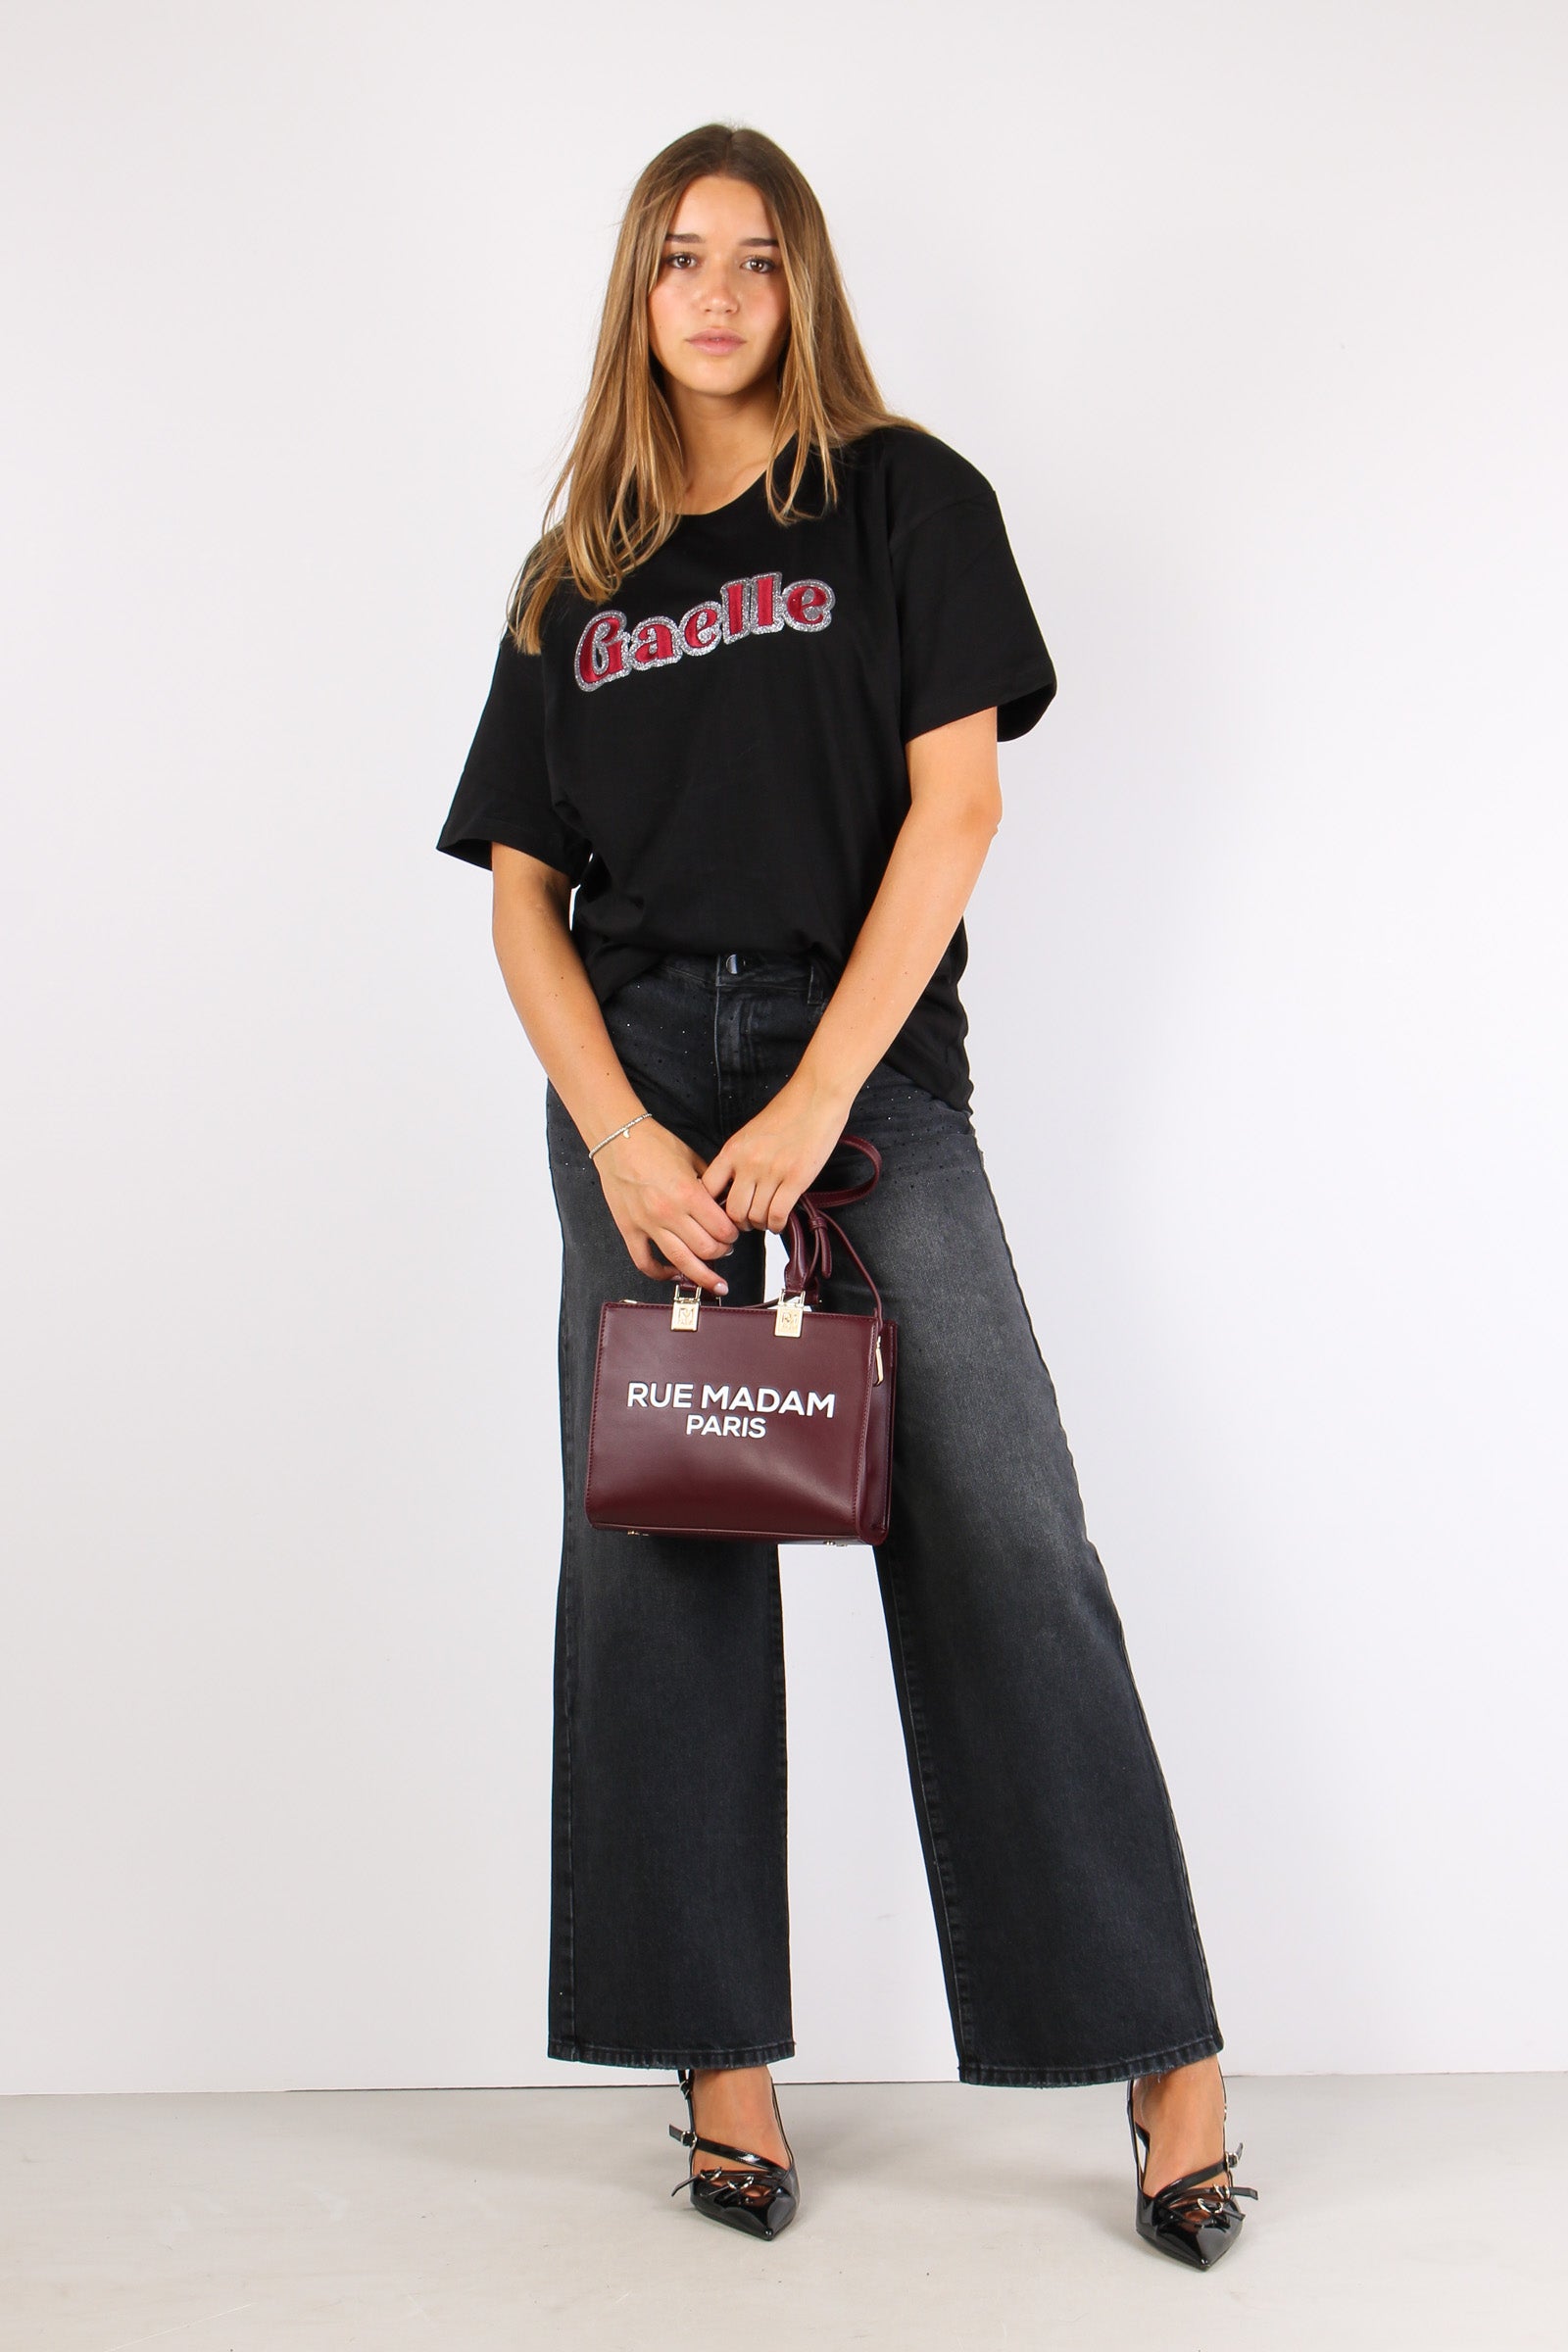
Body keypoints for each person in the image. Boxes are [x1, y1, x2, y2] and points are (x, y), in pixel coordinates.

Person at [436, 122, 1256, 2269]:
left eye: (755, 257)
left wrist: (812, 1095)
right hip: (633, 1093)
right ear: (635, 295)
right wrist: (623, 1136)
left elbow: (953, 810)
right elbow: (520, 898)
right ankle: (716, 2065)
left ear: (802, 285)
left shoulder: (903, 497)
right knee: (664, 1551)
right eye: (677, 258)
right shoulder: (575, 575)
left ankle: (1159, 2052)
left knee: (1006, 1531)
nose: (714, 295)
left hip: (863, 1072)